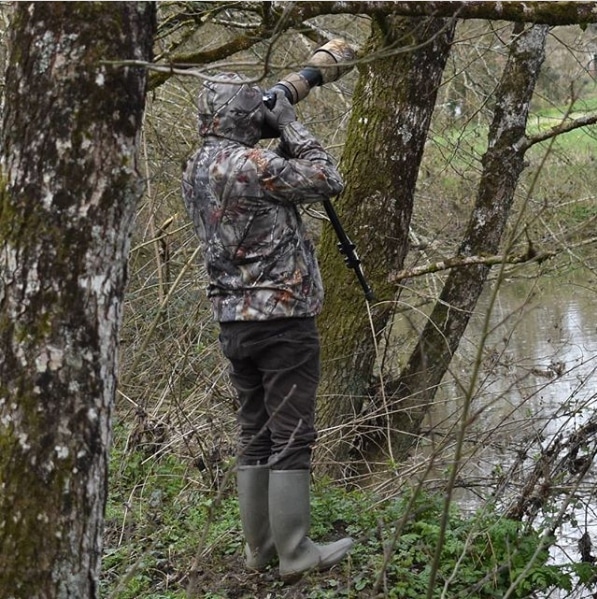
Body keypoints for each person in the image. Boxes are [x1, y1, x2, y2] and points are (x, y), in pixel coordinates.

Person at [181, 73, 353, 578]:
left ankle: (259, 550)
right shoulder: (257, 165)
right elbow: (327, 178)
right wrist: (291, 126)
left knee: (254, 431)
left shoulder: (194, 166)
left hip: (232, 320)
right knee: (292, 433)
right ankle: (296, 552)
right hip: (282, 318)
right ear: (246, 117)